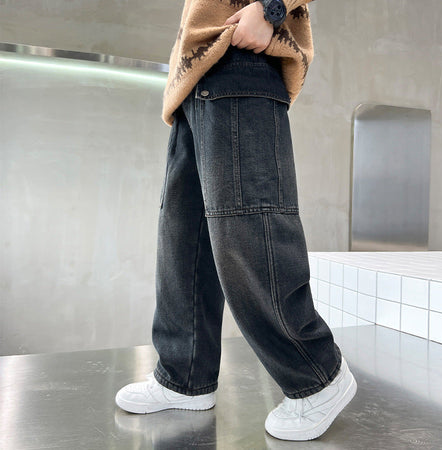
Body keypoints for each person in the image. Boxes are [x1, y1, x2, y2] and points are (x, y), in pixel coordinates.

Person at [115, 0, 357, 441]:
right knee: (184, 240)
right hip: (194, 79)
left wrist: (270, 9)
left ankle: (317, 376)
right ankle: (184, 376)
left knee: (249, 231)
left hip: (240, 62)